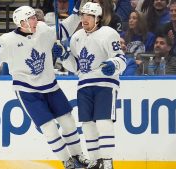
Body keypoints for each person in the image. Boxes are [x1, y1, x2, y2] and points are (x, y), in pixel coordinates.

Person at [0, 2, 92, 169]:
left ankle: (78, 156)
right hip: (27, 91)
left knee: (68, 122)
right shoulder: (8, 40)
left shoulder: (43, 29)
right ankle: (67, 162)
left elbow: (64, 30)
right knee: (49, 129)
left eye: (34, 17)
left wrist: (76, 13)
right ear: (21, 22)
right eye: (31, 18)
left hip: (51, 86)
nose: (35, 20)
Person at [53, 2, 127, 169]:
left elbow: (121, 58)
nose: (84, 19)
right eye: (82, 15)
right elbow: (77, 68)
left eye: (89, 16)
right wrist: (64, 56)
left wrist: (113, 65)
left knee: (103, 121)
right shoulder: (77, 37)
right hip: (84, 85)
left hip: (105, 83)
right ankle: (95, 160)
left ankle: (107, 161)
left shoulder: (109, 33)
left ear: (98, 18)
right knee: (87, 124)